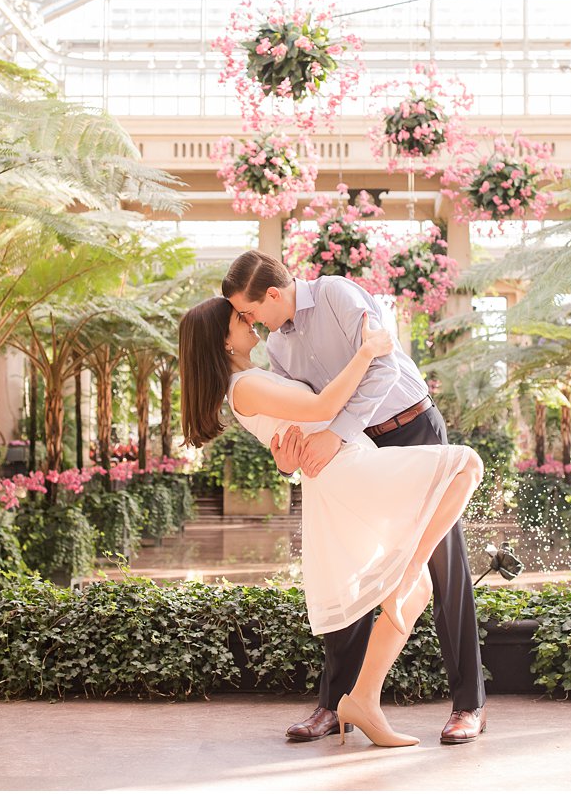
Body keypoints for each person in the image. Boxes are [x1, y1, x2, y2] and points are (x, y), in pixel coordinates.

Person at [178, 293, 483, 747]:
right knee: (467, 465)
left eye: (247, 311)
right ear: (222, 341)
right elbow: (321, 409)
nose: (250, 322)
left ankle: (363, 699)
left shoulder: (260, 370)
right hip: (344, 469)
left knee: (416, 590)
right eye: (239, 318)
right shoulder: (245, 385)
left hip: (343, 465)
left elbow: (293, 429)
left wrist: (286, 455)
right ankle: (409, 577)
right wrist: (367, 350)